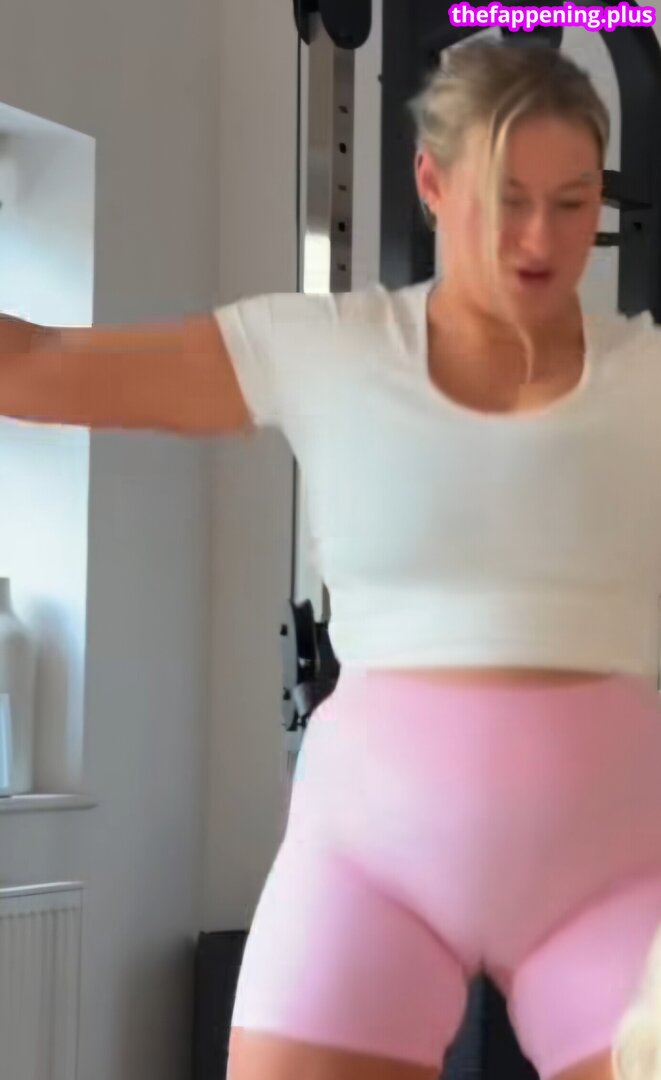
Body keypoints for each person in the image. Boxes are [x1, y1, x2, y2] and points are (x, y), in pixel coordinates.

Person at [2, 39, 661, 1080]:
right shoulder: (325, 349)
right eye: (507, 200)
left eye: (572, 203)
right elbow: (36, 363)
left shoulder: (648, 381)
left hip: (615, 873)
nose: (541, 238)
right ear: (431, 184)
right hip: (372, 866)